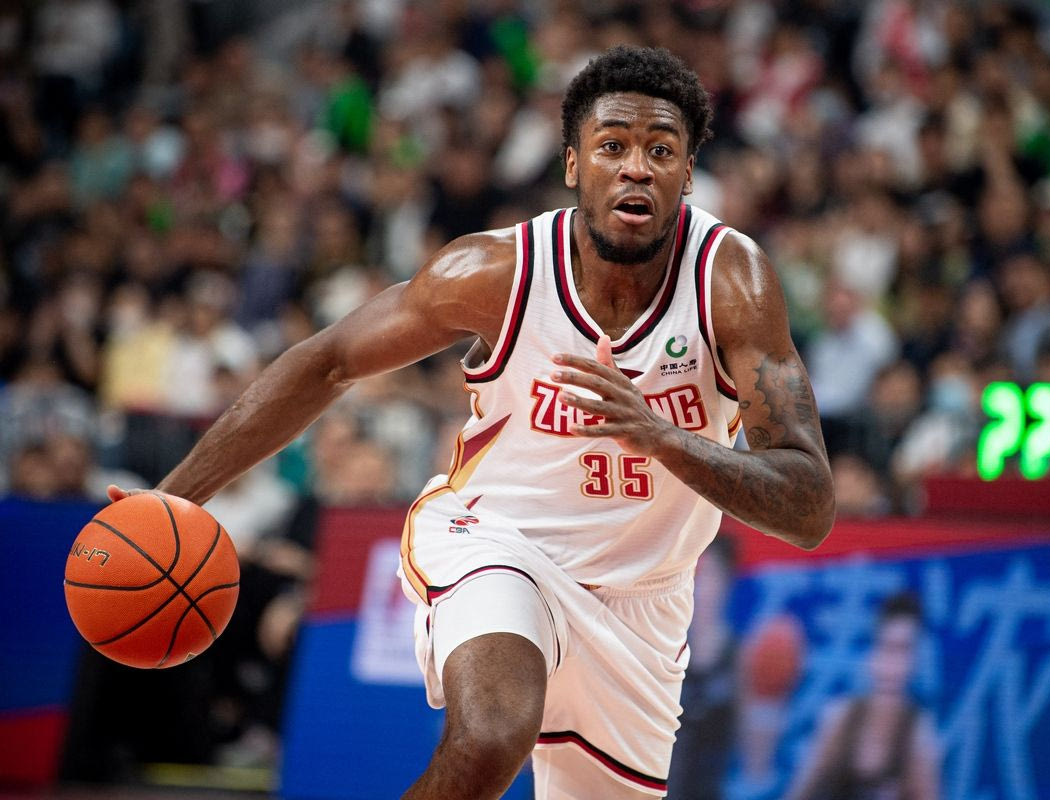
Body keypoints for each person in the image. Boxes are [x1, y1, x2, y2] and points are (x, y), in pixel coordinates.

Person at [109, 45, 834, 799]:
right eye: (612, 146)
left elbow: (809, 505)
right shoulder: (498, 273)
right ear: (572, 164)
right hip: (498, 539)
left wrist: (661, 437)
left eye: (661, 151)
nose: (636, 168)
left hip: (645, 600)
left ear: (687, 173)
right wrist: (175, 496)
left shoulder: (731, 283)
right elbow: (327, 362)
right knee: (492, 734)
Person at [784, 592, 940, 800]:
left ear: (916, 661)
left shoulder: (918, 736)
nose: (894, 665)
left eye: (904, 651)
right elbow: (798, 793)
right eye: (886, 648)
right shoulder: (839, 718)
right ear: (871, 655)